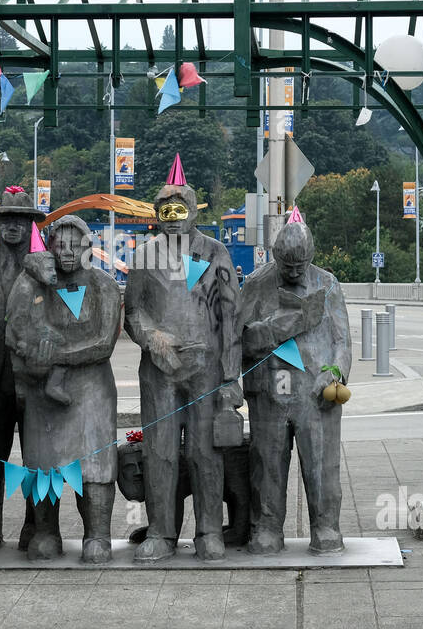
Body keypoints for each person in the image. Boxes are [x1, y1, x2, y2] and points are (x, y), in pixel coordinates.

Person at [123, 155, 242, 562]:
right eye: (165, 211)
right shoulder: (143, 256)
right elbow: (132, 311)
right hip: (158, 370)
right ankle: (161, 531)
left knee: (205, 451)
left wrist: (230, 377)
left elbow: (231, 316)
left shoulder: (216, 252)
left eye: (180, 209)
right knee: (159, 451)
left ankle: (209, 530)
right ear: (156, 215)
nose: (172, 218)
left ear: (194, 212)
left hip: (206, 368)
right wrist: (151, 337)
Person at [5, 215, 123, 563]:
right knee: (45, 462)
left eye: (76, 243)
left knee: (95, 465)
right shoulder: (34, 284)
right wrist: (32, 357)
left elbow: (103, 343)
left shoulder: (103, 285)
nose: (67, 251)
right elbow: (13, 329)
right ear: (50, 246)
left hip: (92, 389)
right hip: (44, 390)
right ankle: (45, 531)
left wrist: (55, 357)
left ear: (89, 245)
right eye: (60, 243)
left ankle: (97, 534)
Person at [240, 214, 352, 555]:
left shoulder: (328, 284)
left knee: (321, 465)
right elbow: (238, 338)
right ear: (275, 256)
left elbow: (342, 341)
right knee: (267, 464)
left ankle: (326, 525)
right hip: (269, 392)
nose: (292, 272)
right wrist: (276, 327)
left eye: (299, 266)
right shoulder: (257, 285)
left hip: (316, 394)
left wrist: (334, 372)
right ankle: (267, 527)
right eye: (286, 265)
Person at [0, 186, 47, 552]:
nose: (13, 227)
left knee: (37, 457)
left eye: (20, 220)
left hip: (34, 377)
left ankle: (36, 525)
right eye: (6, 221)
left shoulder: (46, 267)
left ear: (31, 224)